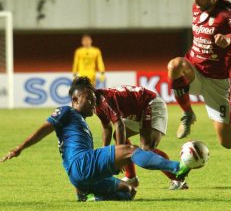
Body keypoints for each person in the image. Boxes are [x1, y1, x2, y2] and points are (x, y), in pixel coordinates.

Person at [0, 77, 190, 201]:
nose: (92, 102)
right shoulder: (66, 111)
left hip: (81, 178)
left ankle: (91, 195)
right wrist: (20, 147)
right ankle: (177, 167)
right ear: (75, 100)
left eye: (93, 98)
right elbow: (44, 129)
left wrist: (108, 157)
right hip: (82, 164)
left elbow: (107, 129)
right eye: (87, 99)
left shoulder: (82, 124)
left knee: (128, 192)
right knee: (131, 150)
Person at [167, 0, 231, 161]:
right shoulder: (197, 7)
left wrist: (230, 38)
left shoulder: (228, 12)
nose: (195, 1)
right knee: (174, 65)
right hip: (194, 71)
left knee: (226, 142)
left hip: (217, 81)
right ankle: (188, 114)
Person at [94, 85, 189, 190]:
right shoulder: (95, 103)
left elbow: (119, 125)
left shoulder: (104, 100)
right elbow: (107, 127)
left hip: (150, 104)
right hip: (136, 111)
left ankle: (178, 179)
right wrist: (103, 152)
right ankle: (131, 177)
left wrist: (119, 156)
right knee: (118, 136)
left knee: (147, 149)